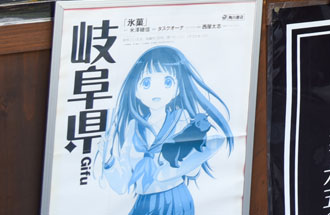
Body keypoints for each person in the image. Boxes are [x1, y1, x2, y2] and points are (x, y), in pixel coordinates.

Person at [98, 45, 234, 214]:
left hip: (173, 200)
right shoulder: (134, 128)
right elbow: (122, 185)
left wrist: (169, 170)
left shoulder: (182, 119)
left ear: (178, 88)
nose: (156, 90)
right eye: (146, 83)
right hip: (143, 201)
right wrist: (109, 161)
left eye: (167, 82)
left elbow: (213, 141)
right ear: (136, 91)